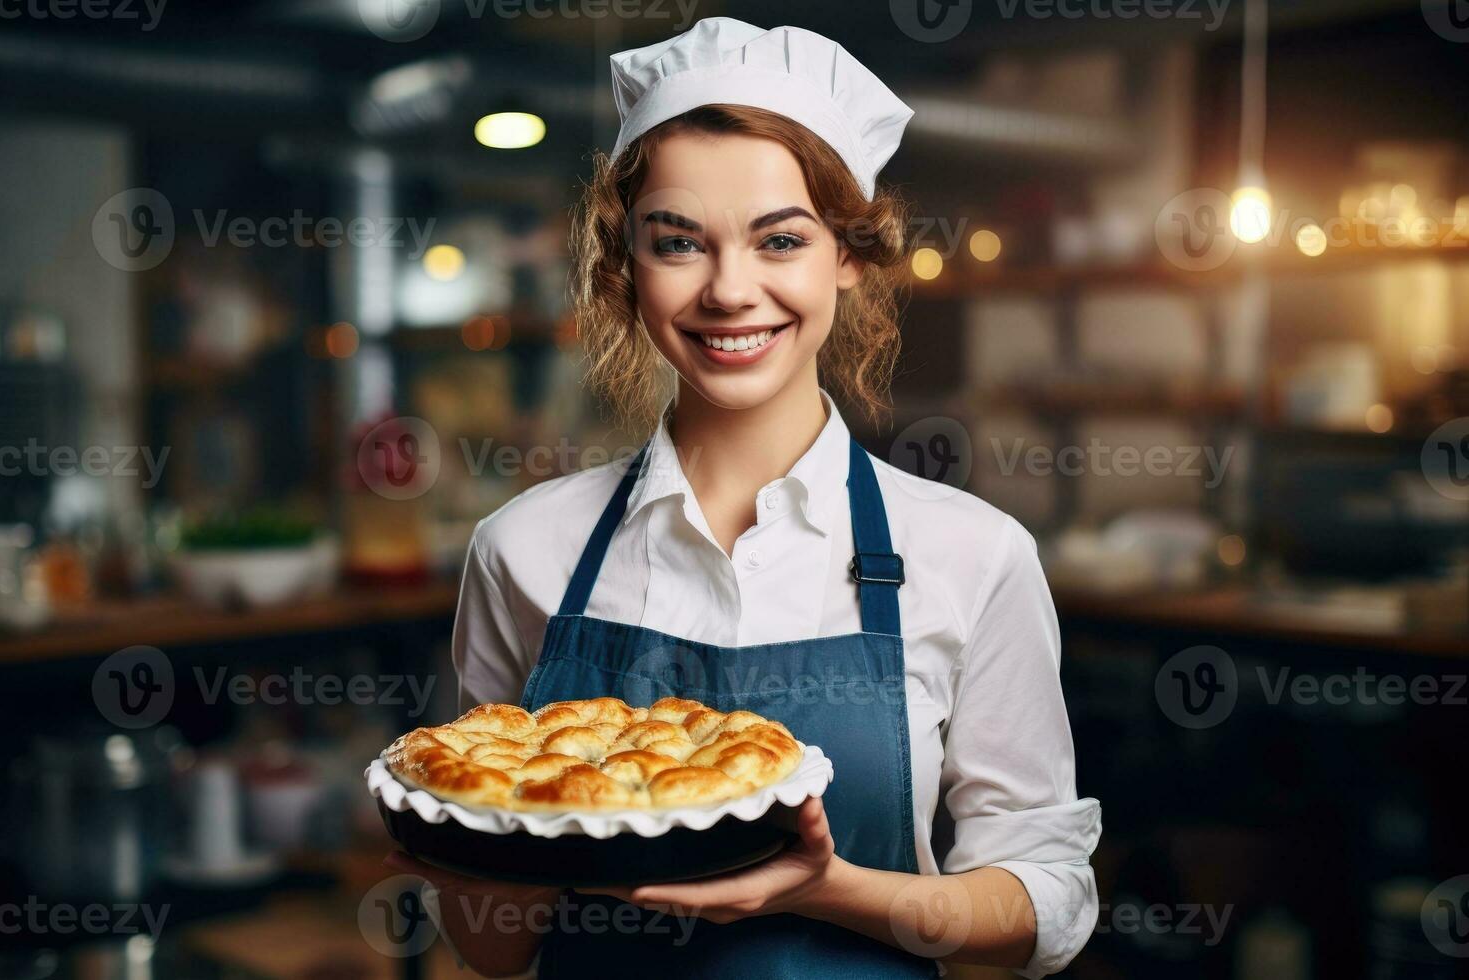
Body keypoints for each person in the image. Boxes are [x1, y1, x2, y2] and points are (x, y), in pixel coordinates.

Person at [386, 16, 1101, 979]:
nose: (730, 290)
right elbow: (494, 951)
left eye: (781, 240)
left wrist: (829, 888)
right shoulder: (523, 549)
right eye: (679, 242)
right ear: (624, 263)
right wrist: (465, 849)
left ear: (846, 255)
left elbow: (1044, 904)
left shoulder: (973, 554)